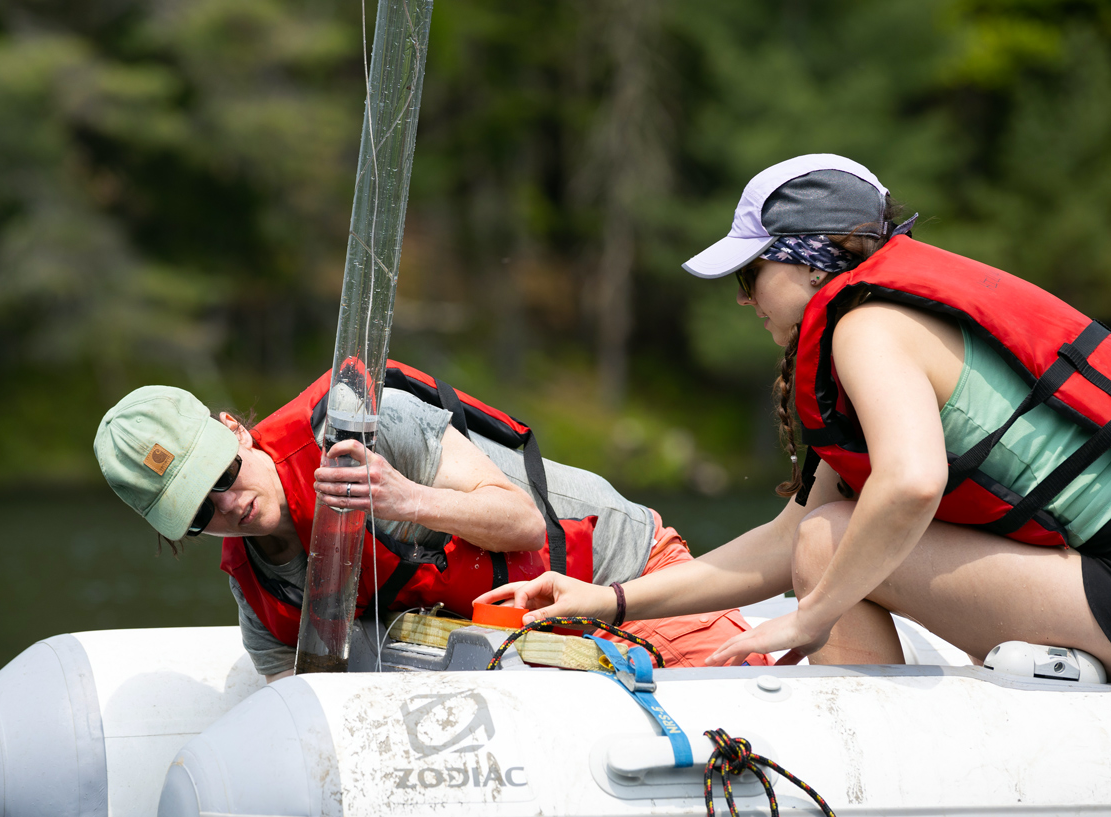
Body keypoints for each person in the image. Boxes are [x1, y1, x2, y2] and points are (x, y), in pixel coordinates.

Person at [481, 153, 1111, 668]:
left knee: (828, 544)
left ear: (809, 263)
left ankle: (870, 784)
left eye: (750, 273)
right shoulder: (885, 326)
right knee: (818, 536)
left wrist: (815, 613)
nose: (743, 298)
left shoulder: (867, 329)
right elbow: (780, 544)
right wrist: (608, 600)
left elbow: (912, 484)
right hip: (1086, 581)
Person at [92, 362, 767, 679]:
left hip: (624, 571)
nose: (226, 507)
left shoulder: (361, 425)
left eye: (222, 477)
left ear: (235, 431)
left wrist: (398, 498)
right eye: (195, 514)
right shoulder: (258, 589)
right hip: (532, 637)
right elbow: (294, 701)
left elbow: (522, 523)